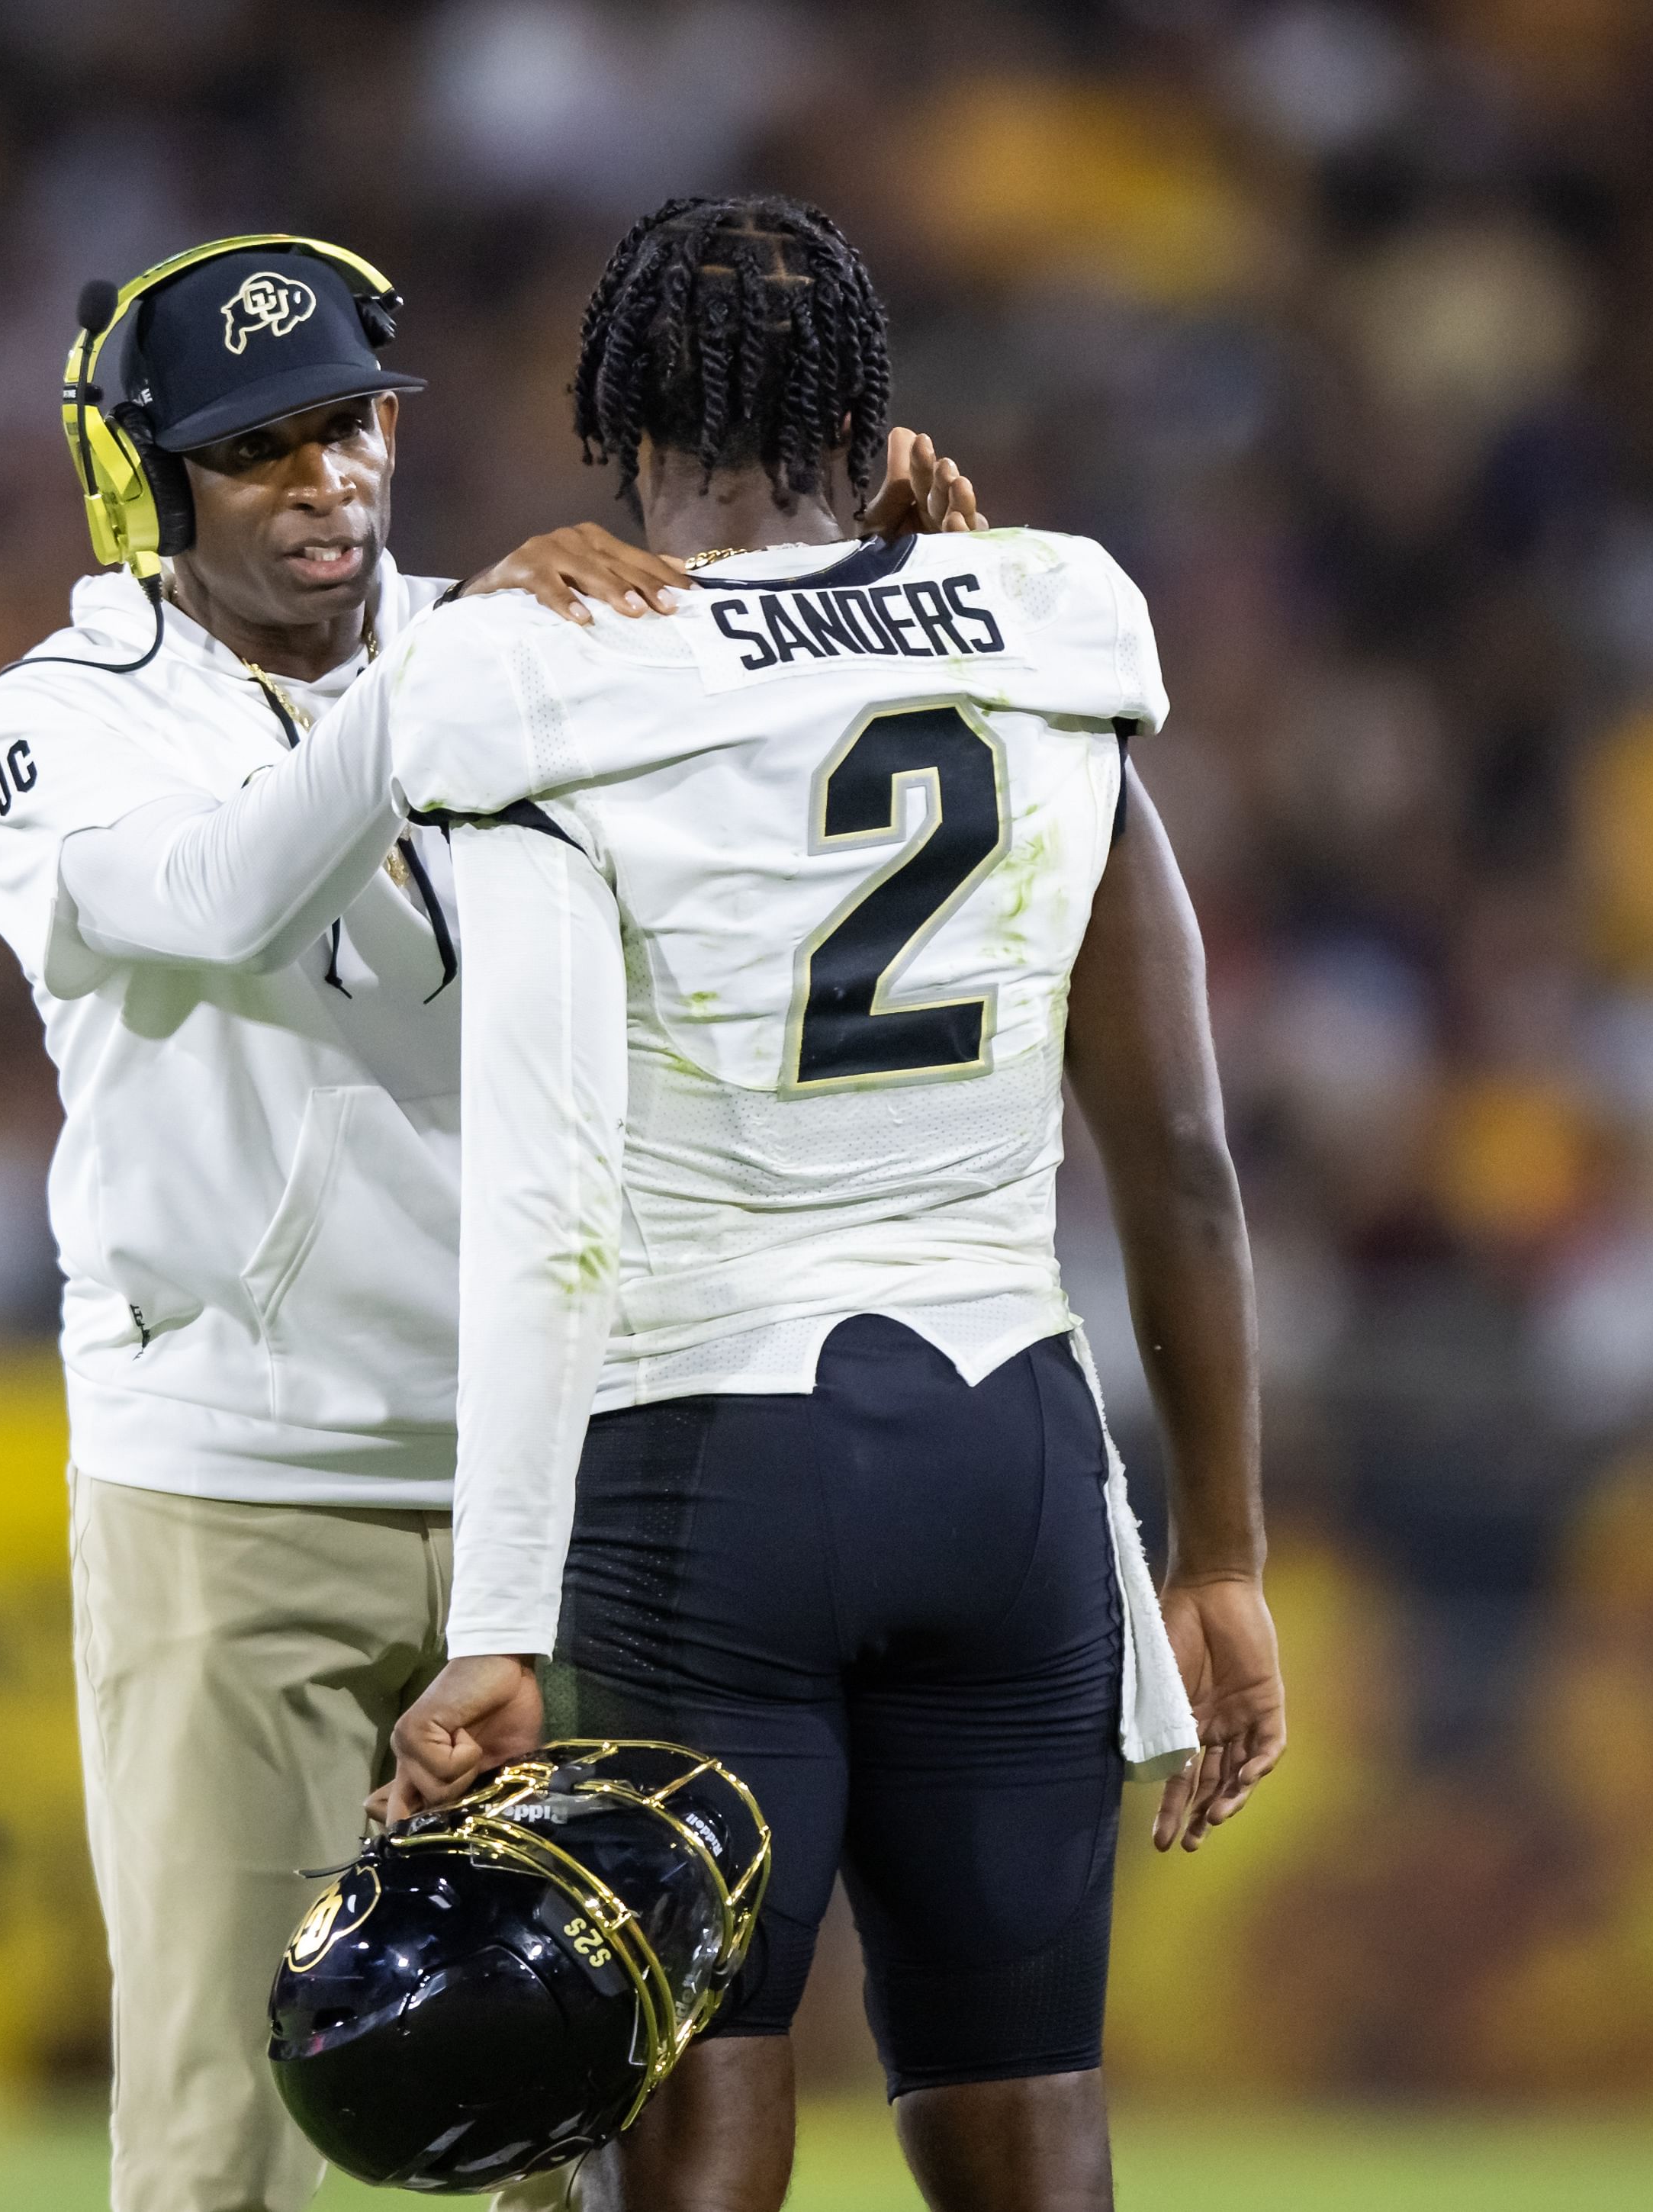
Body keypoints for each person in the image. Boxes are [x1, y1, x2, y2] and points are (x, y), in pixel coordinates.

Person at [0, 233, 976, 2212]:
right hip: (234, 1486)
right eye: (260, 447)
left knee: (579, 2121)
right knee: (217, 2134)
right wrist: (465, 657)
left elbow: (806, 823)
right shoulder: (50, 721)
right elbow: (233, 890)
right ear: (151, 484)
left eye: (352, 425)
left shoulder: (519, 638)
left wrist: (875, 584)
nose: (329, 476)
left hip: (566, 1478)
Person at [366, 198, 1289, 2210]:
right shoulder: (1048, 613)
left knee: (688, 2078)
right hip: (1017, 1456)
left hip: (707, 1446)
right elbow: (1185, 1156)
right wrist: (1217, 1547)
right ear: (871, 417)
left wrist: (500, 1615)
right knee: (1027, 2091)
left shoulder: (527, 660)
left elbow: (547, 1195)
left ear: (620, 425)